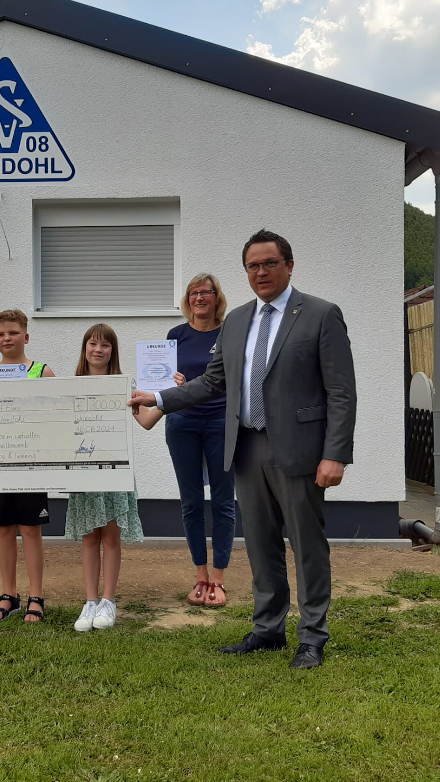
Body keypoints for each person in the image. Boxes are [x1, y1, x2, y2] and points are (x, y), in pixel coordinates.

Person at [129, 231, 356, 669]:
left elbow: (341, 391)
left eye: (270, 263)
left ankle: (312, 638)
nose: (261, 272)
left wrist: (336, 453)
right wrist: (158, 398)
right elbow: (213, 381)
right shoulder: (236, 321)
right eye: (253, 265)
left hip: (300, 449)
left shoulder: (321, 314)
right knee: (259, 542)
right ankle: (268, 629)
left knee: (306, 544)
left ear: (289, 265)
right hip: (246, 446)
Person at [0, 309, 55, 622]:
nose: (6, 338)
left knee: (31, 529)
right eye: (0, 334)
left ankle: (36, 595)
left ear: (26, 336)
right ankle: (9, 594)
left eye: (13, 332)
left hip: (31, 463)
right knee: (4, 529)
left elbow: (55, 414)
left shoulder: (42, 371)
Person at [65, 324, 144, 632]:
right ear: (84, 348)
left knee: (111, 537)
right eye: (93, 343)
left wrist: (169, 396)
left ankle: (108, 601)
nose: (98, 350)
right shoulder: (70, 386)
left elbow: (147, 420)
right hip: (83, 472)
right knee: (89, 536)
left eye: (105, 345)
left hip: (114, 470)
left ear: (113, 351)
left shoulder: (126, 386)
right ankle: (90, 601)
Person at [165, 274, 236, 608]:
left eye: (206, 292)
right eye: (193, 293)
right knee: (191, 502)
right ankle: (200, 576)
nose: (199, 298)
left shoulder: (229, 333)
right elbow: (163, 379)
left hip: (221, 421)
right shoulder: (175, 335)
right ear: (187, 299)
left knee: (223, 501)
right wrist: (173, 382)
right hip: (183, 422)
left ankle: (218, 579)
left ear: (216, 297)